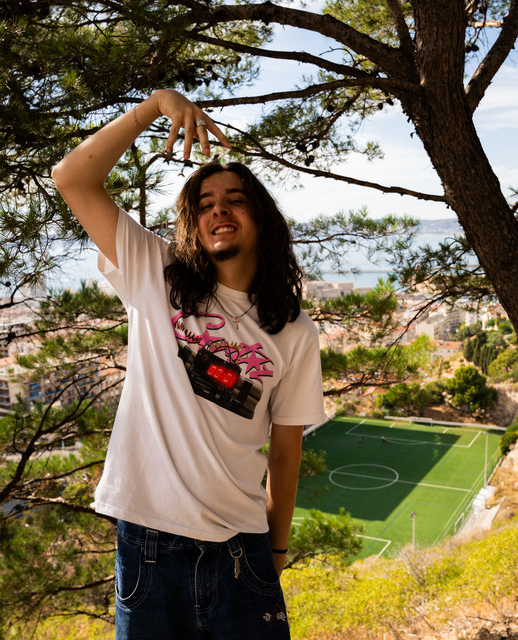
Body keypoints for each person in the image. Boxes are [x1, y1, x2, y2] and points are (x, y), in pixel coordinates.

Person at [52, 89, 326, 639]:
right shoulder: (155, 272)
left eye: (234, 199)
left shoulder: (295, 331)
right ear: (193, 223)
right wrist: (154, 105)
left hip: (243, 549)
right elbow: (72, 178)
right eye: (204, 204)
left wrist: (275, 552)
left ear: (261, 218)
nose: (218, 209)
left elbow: (285, 451)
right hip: (149, 549)